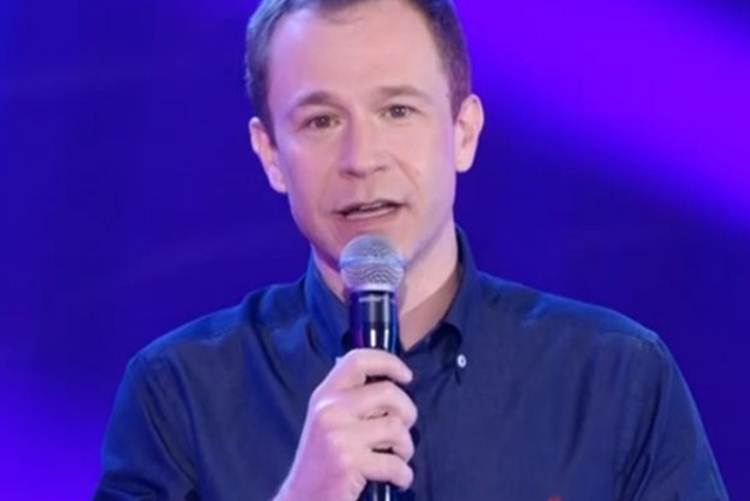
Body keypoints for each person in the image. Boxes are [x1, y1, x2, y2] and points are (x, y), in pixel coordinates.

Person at [95, 0, 728, 499]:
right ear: (271, 155)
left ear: (463, 132)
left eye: (397, 110)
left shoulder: (615, 378)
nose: (361, 159)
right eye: (320, 121)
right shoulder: (178, 392)